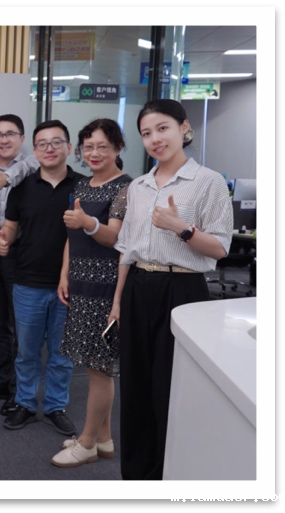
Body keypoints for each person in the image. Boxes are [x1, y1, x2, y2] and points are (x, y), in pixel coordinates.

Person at [114, 99, 232, 480]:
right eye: (146, 133)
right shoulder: (138, 186)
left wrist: (181, 228)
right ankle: (136, 476)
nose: (154, 139)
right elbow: (127, 249)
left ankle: (169, 475)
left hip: (182, 289)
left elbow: (221, 247)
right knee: (134, 387)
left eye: (162, 128)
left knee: (170, 388)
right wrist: (117, 301)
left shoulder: (208, 182)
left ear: (184, 127)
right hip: (137, 288)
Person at [49, 119, 131, 468]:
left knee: (99, 370)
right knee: (92, 366)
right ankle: (103, 439)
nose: (94, 153)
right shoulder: (82, 185)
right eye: (88, 147)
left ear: (118, 148)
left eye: (102, 146)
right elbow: (72, 235)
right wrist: (64, 274)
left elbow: (116, 238)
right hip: (80, 285)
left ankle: (85, 443)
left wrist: (88, 223)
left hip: (106, 289)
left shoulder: (127, 188)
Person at [0, 119, 85, 436]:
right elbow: (11, 226)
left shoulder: (83, 187)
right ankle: (24, 402)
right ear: (34, 151)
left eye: (56, 142)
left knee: (62, 354)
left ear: (69, 147)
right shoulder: (21, 187)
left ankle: (55, 406)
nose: (49, 148)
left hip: (69, 285)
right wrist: (4, 240)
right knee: (27, 352)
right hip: (27, 282)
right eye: (42, 144)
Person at [0, 114, 39, 417]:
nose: (4, 139)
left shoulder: (33, 168)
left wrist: (6, 178)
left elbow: (27, 165)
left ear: (22, 138)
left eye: (10, 133)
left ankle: (19, 390)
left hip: (21, 255)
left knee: (21, 326)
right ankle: (1, 381)